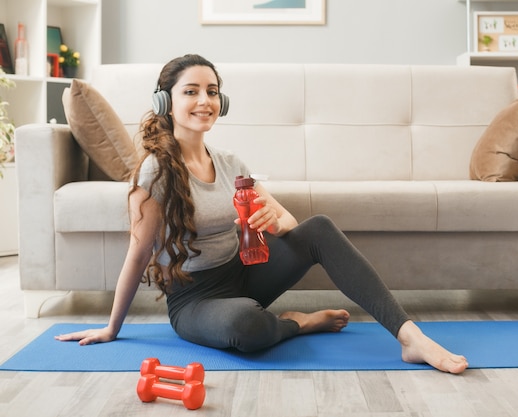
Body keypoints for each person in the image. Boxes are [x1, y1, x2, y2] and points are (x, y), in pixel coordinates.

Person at [55, 54, 468, 374]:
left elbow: (288, 223)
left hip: (245, 274)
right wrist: (112, 328)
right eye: (191, 91)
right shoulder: (155, 171)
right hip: (196, 298)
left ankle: (410, 336)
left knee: (319, 228)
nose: (205, 100)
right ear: (165, 101)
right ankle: (297, 323)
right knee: (246, 328)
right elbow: (138, 252)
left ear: (223, 101)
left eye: (213, 91)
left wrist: (274, 219)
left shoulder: (231, 161)